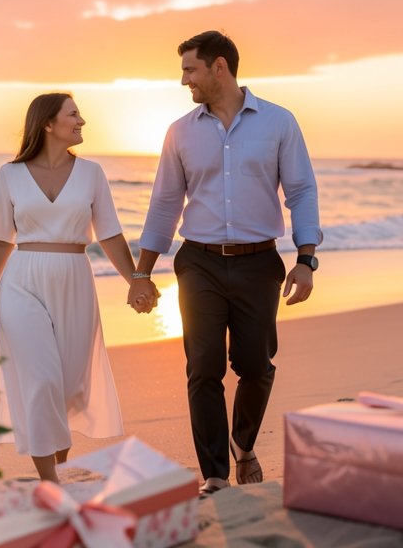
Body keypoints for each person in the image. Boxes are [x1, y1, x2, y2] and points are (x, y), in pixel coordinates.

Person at [128, 31, 322, 498]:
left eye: (189, 70)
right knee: (203, 367)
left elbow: (301, 191)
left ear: (219, 67)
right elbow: (165, 203)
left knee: (255, 365)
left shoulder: (278, 122)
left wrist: (306, 258)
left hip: (259, 263)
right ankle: (214, 474)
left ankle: (242, 443)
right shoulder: (180, 131)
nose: (183, 81)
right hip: (198, 263)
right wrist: (142, 272)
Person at [0, 92, 139, 483]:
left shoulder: (92, 173)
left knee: (66, 388)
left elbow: (110, 234)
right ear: (48, 123)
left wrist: (136, 281)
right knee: (41, 380)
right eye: (74, 114)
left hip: (75, 281)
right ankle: (50, 484)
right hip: (22, 282)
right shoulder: (9, 175)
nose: (82, 121)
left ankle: (57, 471)